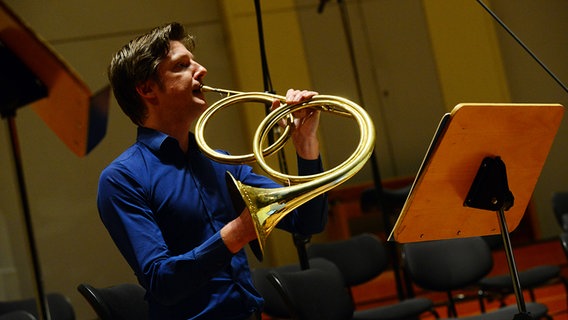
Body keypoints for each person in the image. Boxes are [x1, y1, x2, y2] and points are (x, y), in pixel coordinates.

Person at [97, 22, 328, 320]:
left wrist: (305, 145)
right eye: (182, 65)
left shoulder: (221, 162)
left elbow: (307, 220)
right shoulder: (122, 179)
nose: (201, 69)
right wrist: (237, 232)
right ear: (146, 89)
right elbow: (162, 282)